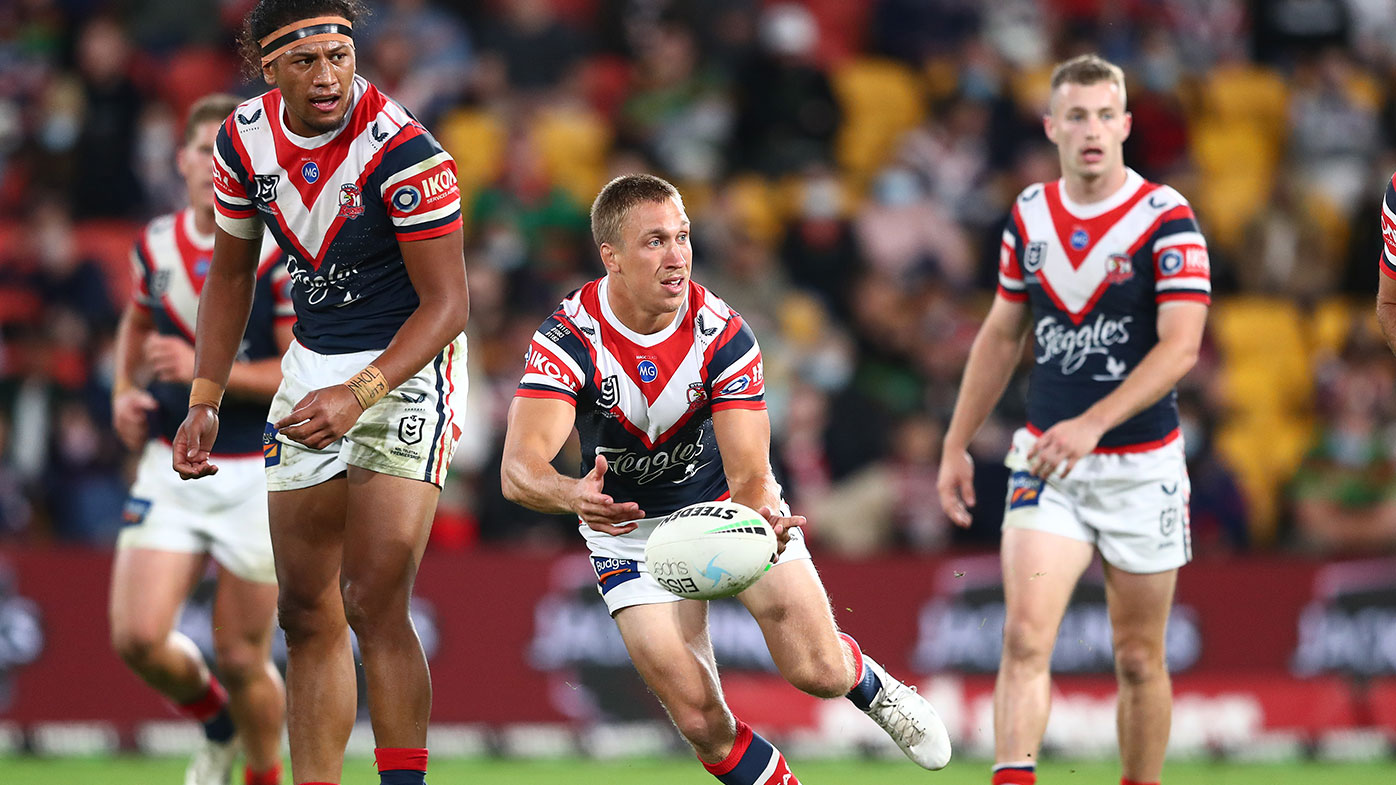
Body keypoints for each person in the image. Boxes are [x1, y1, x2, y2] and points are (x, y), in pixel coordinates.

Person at [501, 173, 951, 785]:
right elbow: (518, 470)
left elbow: (751, 471)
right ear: (611, 256)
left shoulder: (723, 333)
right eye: (655, 241)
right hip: (626, 537)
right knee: (700, 720)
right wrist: (570, 494)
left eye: (682, 236)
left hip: (720, 508)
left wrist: (759, 508)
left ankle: (871, 685)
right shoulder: (567, 339)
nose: (677, 255)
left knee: (816, 671)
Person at [172, 3, 470, 784]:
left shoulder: (404, 150)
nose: (329, 74)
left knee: (372, 599)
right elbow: (231, 273)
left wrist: (360, 392)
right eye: (305, 61)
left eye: (339, 54)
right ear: (268, 68)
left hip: (408, 365)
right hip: (313, 363)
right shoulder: (241, 139)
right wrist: (203, 397)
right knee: (304, 613)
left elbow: (450, 305)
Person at [936, 54, 1210, 785]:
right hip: (1047, 462)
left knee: (1138, 656)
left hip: (1142, 464)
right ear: (1053, 125)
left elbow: (1182, 347)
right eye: (1076, 116)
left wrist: (1094, 421)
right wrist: (956, 442)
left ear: (1124, 125)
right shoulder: (1028, 213)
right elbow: (1001, 334)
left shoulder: (1167, 216)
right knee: (1024, 637)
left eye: (1103, 115)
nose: (1091, 129)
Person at [110, 93, 291, 785]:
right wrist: (123, 392)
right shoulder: (152, 244)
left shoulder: (273, 251)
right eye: (200, 149)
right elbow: (135, 321)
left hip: (253, 469)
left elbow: (292, 371)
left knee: (245, 656)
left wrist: (202, 373)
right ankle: (217, 723)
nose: (210, 162)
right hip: (166, 462)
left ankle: (261, 774)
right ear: (182, 158)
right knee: (137, 637)